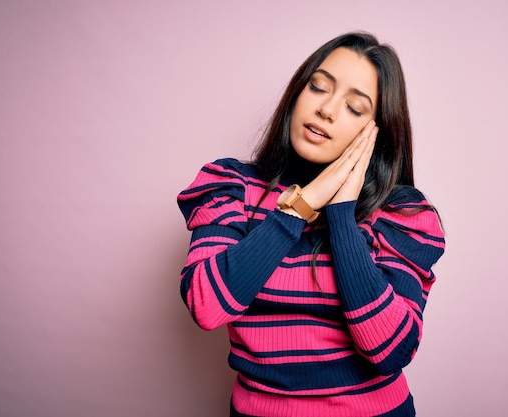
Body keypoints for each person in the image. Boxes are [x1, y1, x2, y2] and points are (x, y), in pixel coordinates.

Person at [177, 32, 445, 417]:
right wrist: (301, 207)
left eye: (354, 108)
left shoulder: (402, 214)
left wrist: (340, 213)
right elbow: (207, 305)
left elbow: (389, 350)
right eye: (318, 88)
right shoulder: (232, 186)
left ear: (376, 134)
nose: (327, 110)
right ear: (297, 94)